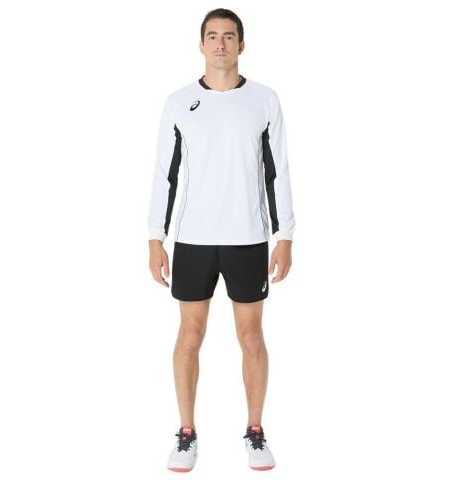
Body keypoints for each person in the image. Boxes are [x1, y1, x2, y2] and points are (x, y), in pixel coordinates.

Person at [147, 8, 295, 472]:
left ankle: (255, 430)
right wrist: (155, 236)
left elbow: (277, 172)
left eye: (229, 36)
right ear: (201, 45)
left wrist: (285, 234)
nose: (221, 44)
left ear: (241, 45)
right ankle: (186, 433)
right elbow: (166, 174)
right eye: (212, 36)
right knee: (190, 334)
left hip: (248, 238)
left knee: (251, 336)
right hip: (193, 239)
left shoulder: (264, 100)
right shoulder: (179, 102)